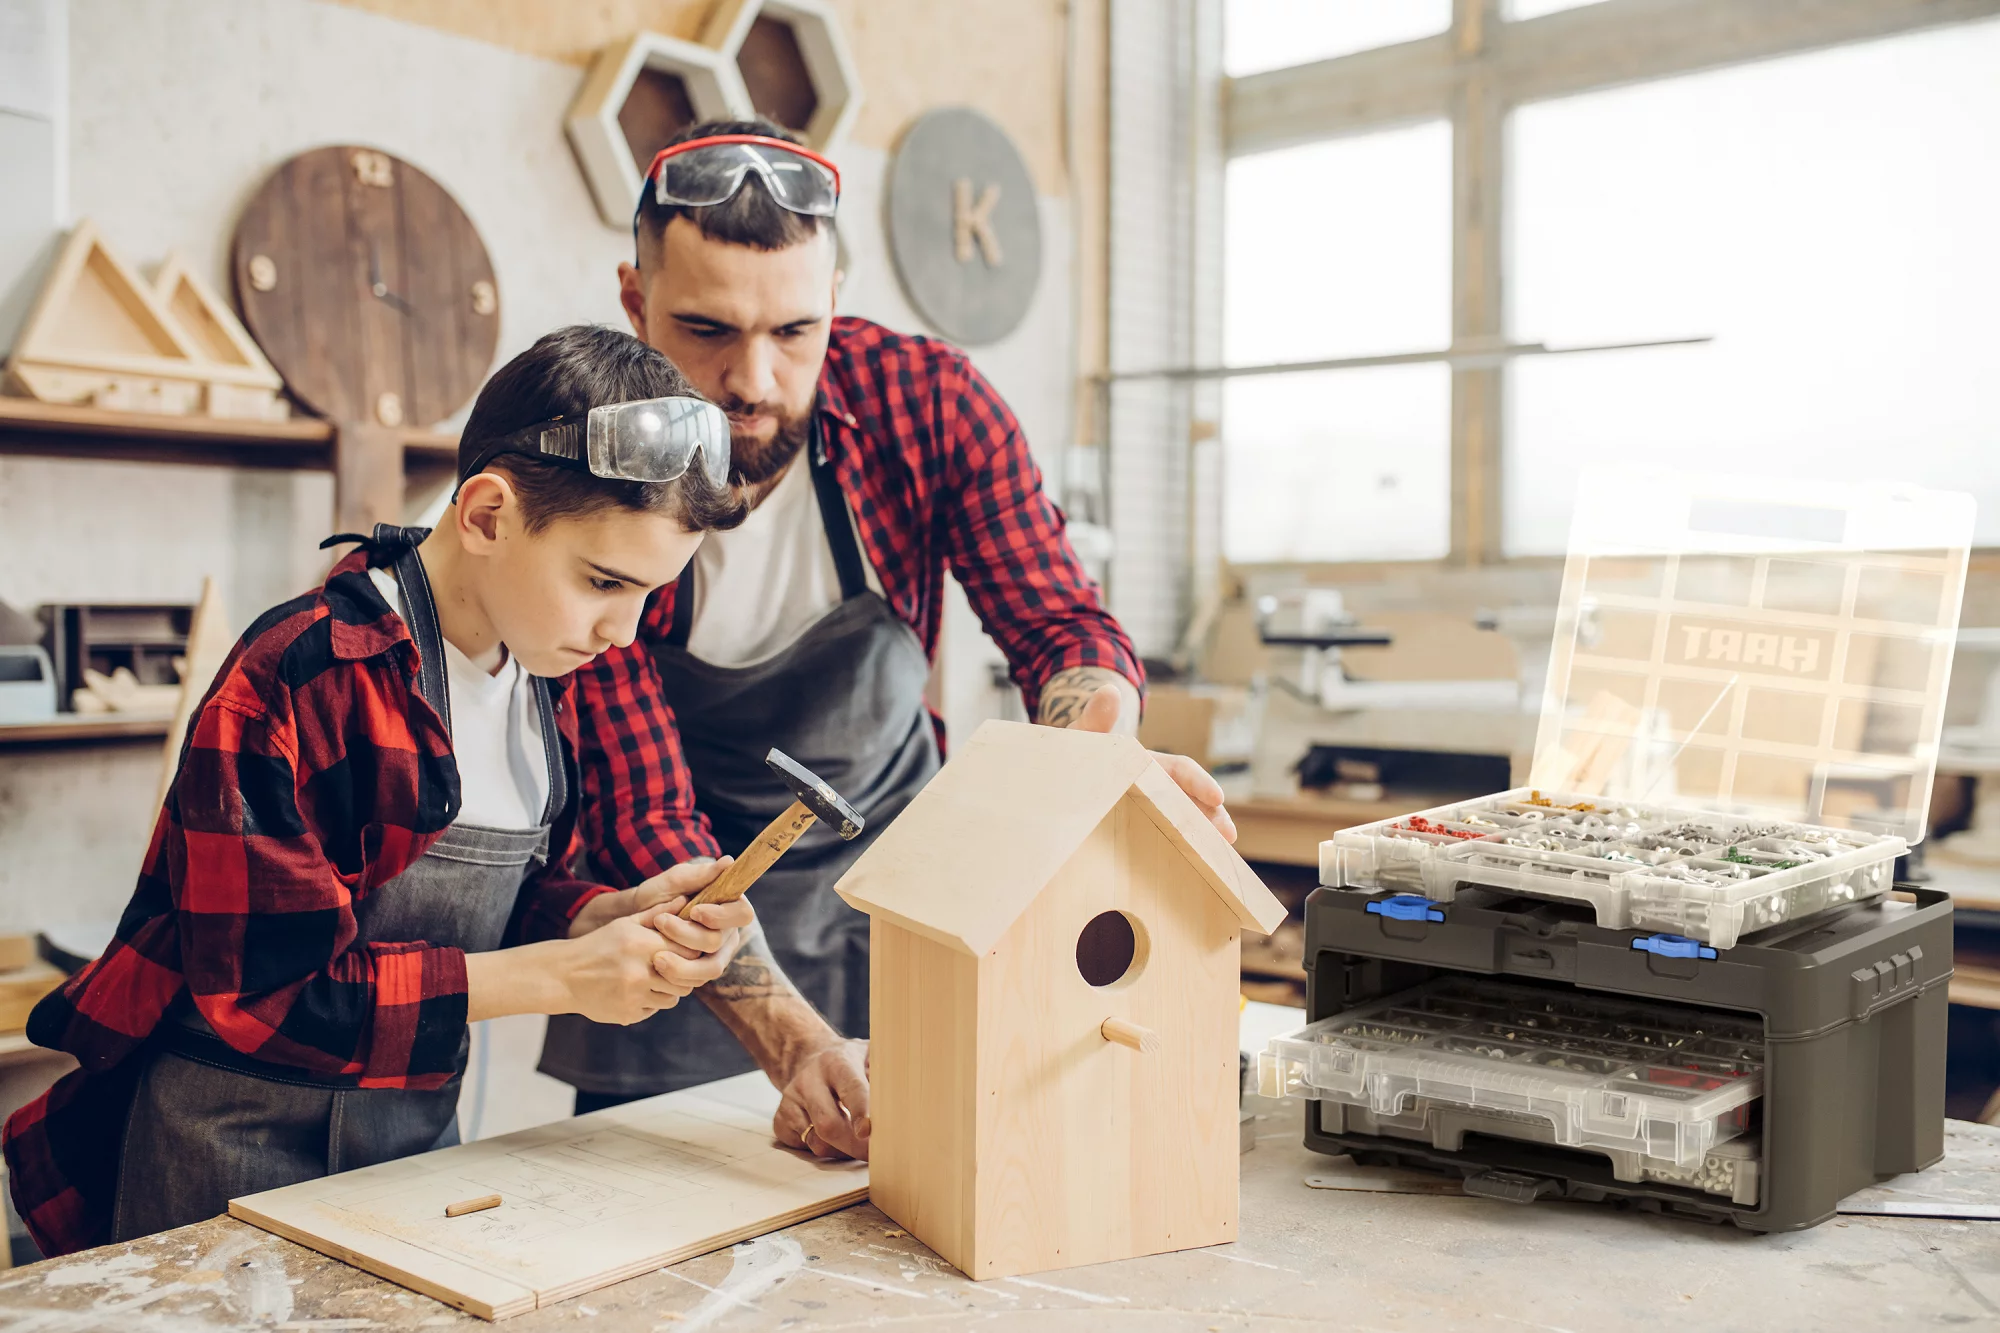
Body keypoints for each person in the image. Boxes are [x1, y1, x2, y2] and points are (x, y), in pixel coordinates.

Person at [1, 326, 834, 1255]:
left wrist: (591, 919)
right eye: (604, 581)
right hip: (224, 1155)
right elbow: (265, 995)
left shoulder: (533, 681)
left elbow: (490, 904)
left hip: (410, 1155)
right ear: (486, 515)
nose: (624, 632)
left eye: (650, 593)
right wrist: (556, 977)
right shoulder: (299, 676)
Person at [539, 120, 1236, 1158]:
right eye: (706, 331)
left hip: (901, 899)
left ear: (835, 302)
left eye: (793, 332)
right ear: (635, 303)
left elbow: (1056, 622)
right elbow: (644, 811)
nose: (754, 382)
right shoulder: (588, 461)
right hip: (678, 921)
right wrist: (794, 1043)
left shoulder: (924, 403)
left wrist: (1095, 747)